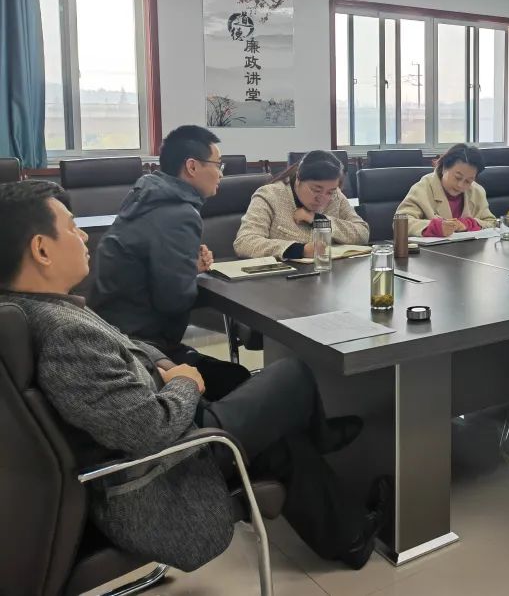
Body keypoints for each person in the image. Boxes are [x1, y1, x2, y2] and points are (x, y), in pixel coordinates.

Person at [0, 180, 386, 572]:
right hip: (170, 456)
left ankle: (351, 538)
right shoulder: (64, 333)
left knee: (280, 437)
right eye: (71, 227)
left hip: (165, 424)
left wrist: (169, 366)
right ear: (41, 249)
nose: (84, 236)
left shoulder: (39, 308)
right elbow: (149, 429)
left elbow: (127, 343)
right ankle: (322, 436)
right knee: (292, 375)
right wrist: (185, 382)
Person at [90, 124, 249, 399]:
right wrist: (186, 275)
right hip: (141, 348)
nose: (221, 174)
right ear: (192, 166)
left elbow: (147, 267)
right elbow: (173, 300)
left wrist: (187, 267)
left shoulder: (145, 196)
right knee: (239, 380)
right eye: (218, 165)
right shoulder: (179, 213)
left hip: (112, 336)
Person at [234, 150, 369, 259]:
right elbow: (245, 242)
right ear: (298, 178)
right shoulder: (270, 195)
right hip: (283, 280)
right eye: (316, 190)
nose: (322, 198)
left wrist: (317, 220)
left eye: (330, 192)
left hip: (330, 275)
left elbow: (362, 233)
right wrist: (300, 250)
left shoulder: (335, 195)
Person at [395, 143, 497, 237]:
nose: (460, 185)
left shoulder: (477, 191)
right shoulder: (423, 188)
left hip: (469, 249)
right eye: (457, 177)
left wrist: (468, 224)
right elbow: (400, 223)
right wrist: (436, 227)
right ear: (444, 168)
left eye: (468, 181)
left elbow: (492, 223)